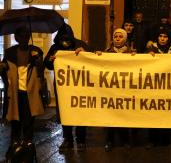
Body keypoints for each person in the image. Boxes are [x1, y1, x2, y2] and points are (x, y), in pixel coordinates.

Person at [44, 23, 90, 152]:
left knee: (80, 112)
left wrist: (85, 53)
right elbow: (46, 64)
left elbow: (93, 59)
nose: (65, 42)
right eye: (63, 39)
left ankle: (81, 140)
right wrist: (50, 60)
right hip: (62, 87)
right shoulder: (55, 47)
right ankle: (67, 139)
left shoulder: (80, 45)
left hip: (80, 86)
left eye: (67, 39)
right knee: (65, 113)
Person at [0, 27, 44, 158]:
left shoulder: (36, 51)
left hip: (30, 92)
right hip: (14, 92)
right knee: (15, 120)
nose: (25, 38)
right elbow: (4, 69)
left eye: (27, 36)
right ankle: (15, 145)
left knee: (29, 120)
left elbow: (41, 71)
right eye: (22, 36)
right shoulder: (9, 52)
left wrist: (38, 61)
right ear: (16, 38)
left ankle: (28, 146)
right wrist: (2, 68)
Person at [98, 28, 135, 151]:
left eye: (120, 37)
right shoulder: (107, 52)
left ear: (125, 39)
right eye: (115, 37)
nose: (118, 39)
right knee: (110, 117)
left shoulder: (132, 53)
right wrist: (98, 57)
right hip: (111, 90)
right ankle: (109, 141)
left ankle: (125, 140)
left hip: (125, 90)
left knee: (124, 116)